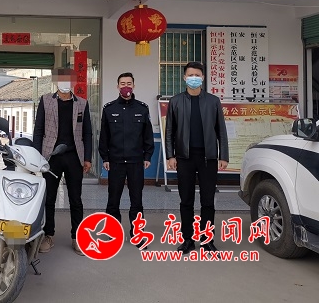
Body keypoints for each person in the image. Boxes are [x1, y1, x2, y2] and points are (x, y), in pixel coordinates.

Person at [165, 61, 229, 253]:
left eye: (197, 75)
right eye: (190, 75)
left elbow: (221, 131)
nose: (194, 78)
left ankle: (207, 240)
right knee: (186, 200)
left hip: (208, 158)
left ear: (203, 78)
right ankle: (188, 240)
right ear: (184, 78)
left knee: (207, 200)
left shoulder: (213, 101)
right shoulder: (176, 101)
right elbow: (170, 131)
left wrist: (223, 156)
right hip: (184, 157)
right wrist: (170, 155)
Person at [33, 68, 93, 256]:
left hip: (74, 157)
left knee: (76, 199)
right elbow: (38, 130)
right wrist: (37, 157)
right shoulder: (46, 101)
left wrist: (87, 158)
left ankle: (77, 237)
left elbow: (87, 133)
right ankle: (48, 235)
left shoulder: (82, 103)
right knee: (49, 198)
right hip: (51, 157)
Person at [99, 72, 154, 247]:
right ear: (117, 87)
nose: (126, 87)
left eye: (129, 83)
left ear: (134, 86)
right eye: (122, 84)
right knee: (113, 199)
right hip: (115, 162)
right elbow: (104, 137)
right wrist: (105, 157)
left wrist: (147, 156)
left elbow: (148, 135)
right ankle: (112, 232)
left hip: (136, 161)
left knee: (136, 200)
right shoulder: (109, 109)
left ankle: (137, 233)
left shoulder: (142, 109)